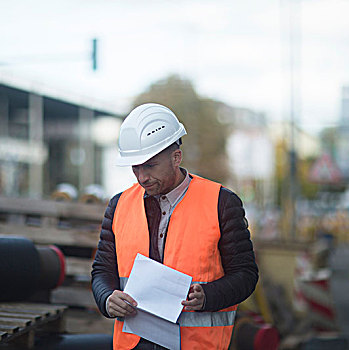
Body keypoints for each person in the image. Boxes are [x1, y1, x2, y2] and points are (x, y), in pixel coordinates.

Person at [91, 103, 259, 349]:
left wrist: (209, 296)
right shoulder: (119, 206)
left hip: (197, 344)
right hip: (135, 344)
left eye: (149, 165)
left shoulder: (221, 203)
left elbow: (246, 275)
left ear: (176, 157)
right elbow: (101, 271)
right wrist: (107, 298)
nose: (142, 177)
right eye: (135, 167)